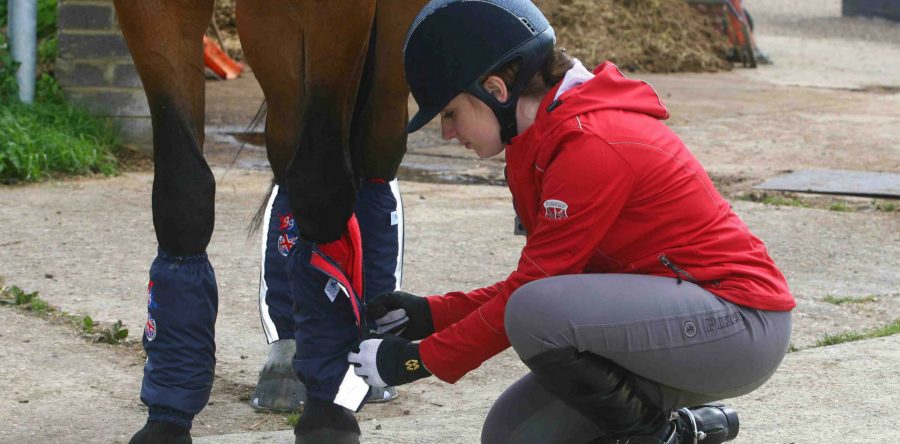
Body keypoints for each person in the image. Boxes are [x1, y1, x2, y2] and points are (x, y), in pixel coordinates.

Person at [347, 1, 794, 443]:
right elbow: (545, 282)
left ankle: (660, 438)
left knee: (534, 312)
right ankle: (690, 429)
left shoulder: (591, 144)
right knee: (512, 436)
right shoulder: (539, 142)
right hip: (676, 323)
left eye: (449, 113)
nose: (446, 133)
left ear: (495, 90)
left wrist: (417, 359)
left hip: (738, 327)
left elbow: (533, 297)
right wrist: (431, 314)